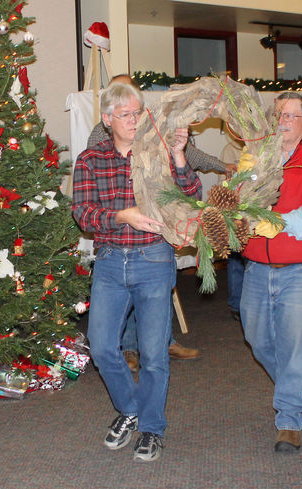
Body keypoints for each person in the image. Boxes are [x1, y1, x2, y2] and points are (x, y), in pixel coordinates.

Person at [72, 82, 202, 462]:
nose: (134, 120)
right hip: (111, 261)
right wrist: (119, 216)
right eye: (126, 115)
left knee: (154, 353)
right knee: (101, 347)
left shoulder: (158, 150)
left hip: (154, 260)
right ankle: (131, 409)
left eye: (138, 113)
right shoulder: (90, 160)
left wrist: (179, 155)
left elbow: (189, 196)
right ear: (107, 118)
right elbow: (82, 213)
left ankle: (151, 427)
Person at [88, 74, 232, 371]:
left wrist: (219, 165)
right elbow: (93, 191)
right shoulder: (99, 139)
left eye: (135, 106)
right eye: (124, 107)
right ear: (110, 112)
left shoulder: (154, 129)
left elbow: (190, 155)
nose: (132, 115)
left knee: (158, 282)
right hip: (120, 235)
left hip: (154, 236)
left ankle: (161, 341)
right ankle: (129, 349)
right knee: (126, 293)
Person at [239, 92, 302, 453]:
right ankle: (291, 387)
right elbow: (238, 203)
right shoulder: (258, 161)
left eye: (289, 114)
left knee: (297, 346)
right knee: (257, 338)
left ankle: (289, 418)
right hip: (256, 266)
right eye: (277, 114)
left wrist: (276, 223)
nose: (281, 120)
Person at [220, 138, 245, 322]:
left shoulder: (260, 147)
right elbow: (223, 182)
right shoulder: (230, 150)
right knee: (236, 259)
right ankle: (236, 304)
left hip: (257, 207)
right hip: (236, 209)